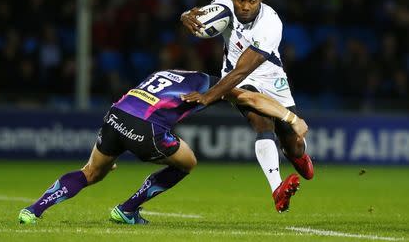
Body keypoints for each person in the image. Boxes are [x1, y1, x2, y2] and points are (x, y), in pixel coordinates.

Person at [18, 69, 308, 225]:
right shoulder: (210, 84)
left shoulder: (168, 73)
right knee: (188, 162)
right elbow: (252, 100)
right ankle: (127, 209)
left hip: (116, 115)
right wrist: (291, 118)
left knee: (92, 172)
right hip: (146, 128)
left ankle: (33, 210)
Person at [180, 0, 314, 212]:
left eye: (252, 1)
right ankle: (277, 189)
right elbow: (197, 15)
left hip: (268, 76)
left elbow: (244, 69)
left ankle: (298, 155)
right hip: (236, 78)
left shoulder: (271, 24)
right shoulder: (222, 3)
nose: (245, 6)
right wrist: (184, 16)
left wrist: (209, 96)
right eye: (240, 0)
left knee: (291, 143)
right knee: (261, 123)